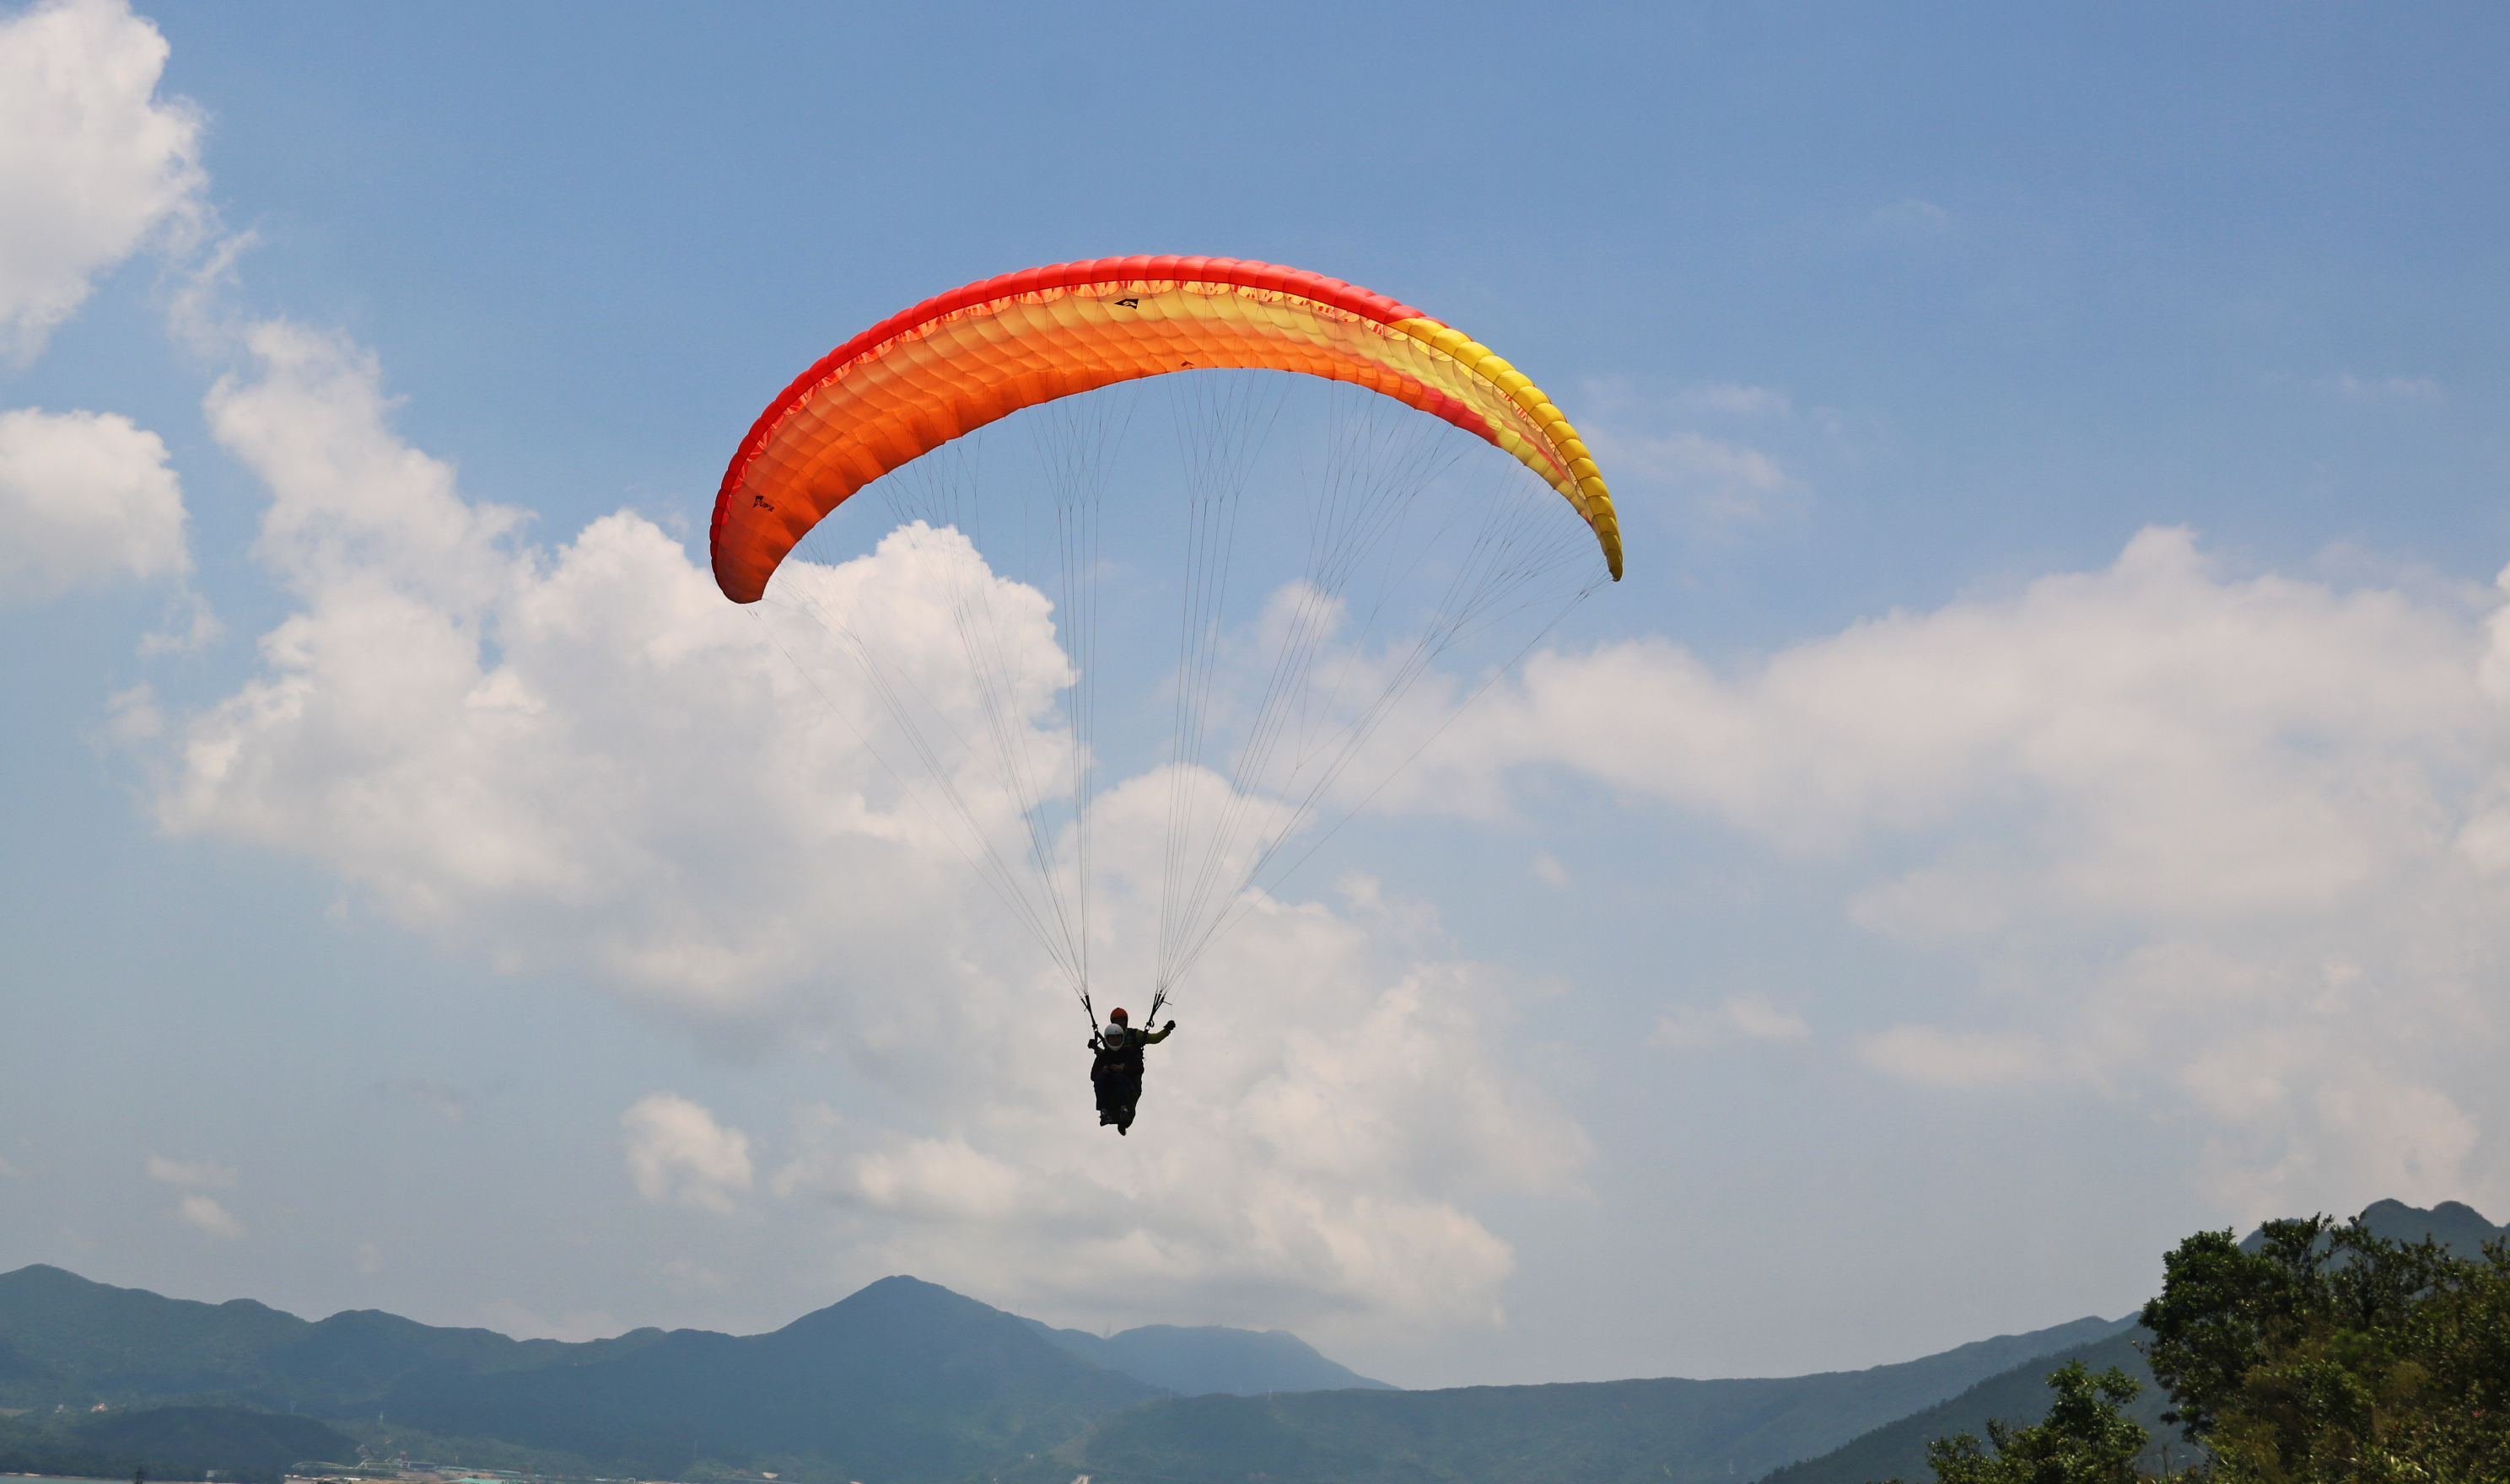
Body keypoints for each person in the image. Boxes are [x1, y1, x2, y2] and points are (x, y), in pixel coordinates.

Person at [1089, 1007, 1174, 1135]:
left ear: (1126, 1022)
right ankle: (1108, 1113)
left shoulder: (1134, 1035)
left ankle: (1123, 1118)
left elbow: (1154, 1038)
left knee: (1121, 1084)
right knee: (1105, 1082)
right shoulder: (1111, 1036)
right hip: (1112, 1075)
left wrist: (1167, 1030)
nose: (1119, 1023)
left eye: (1122, 1021)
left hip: (1130, 1074)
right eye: (1116, 1021)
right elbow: (1107, 1056)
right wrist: (1096, 1049)